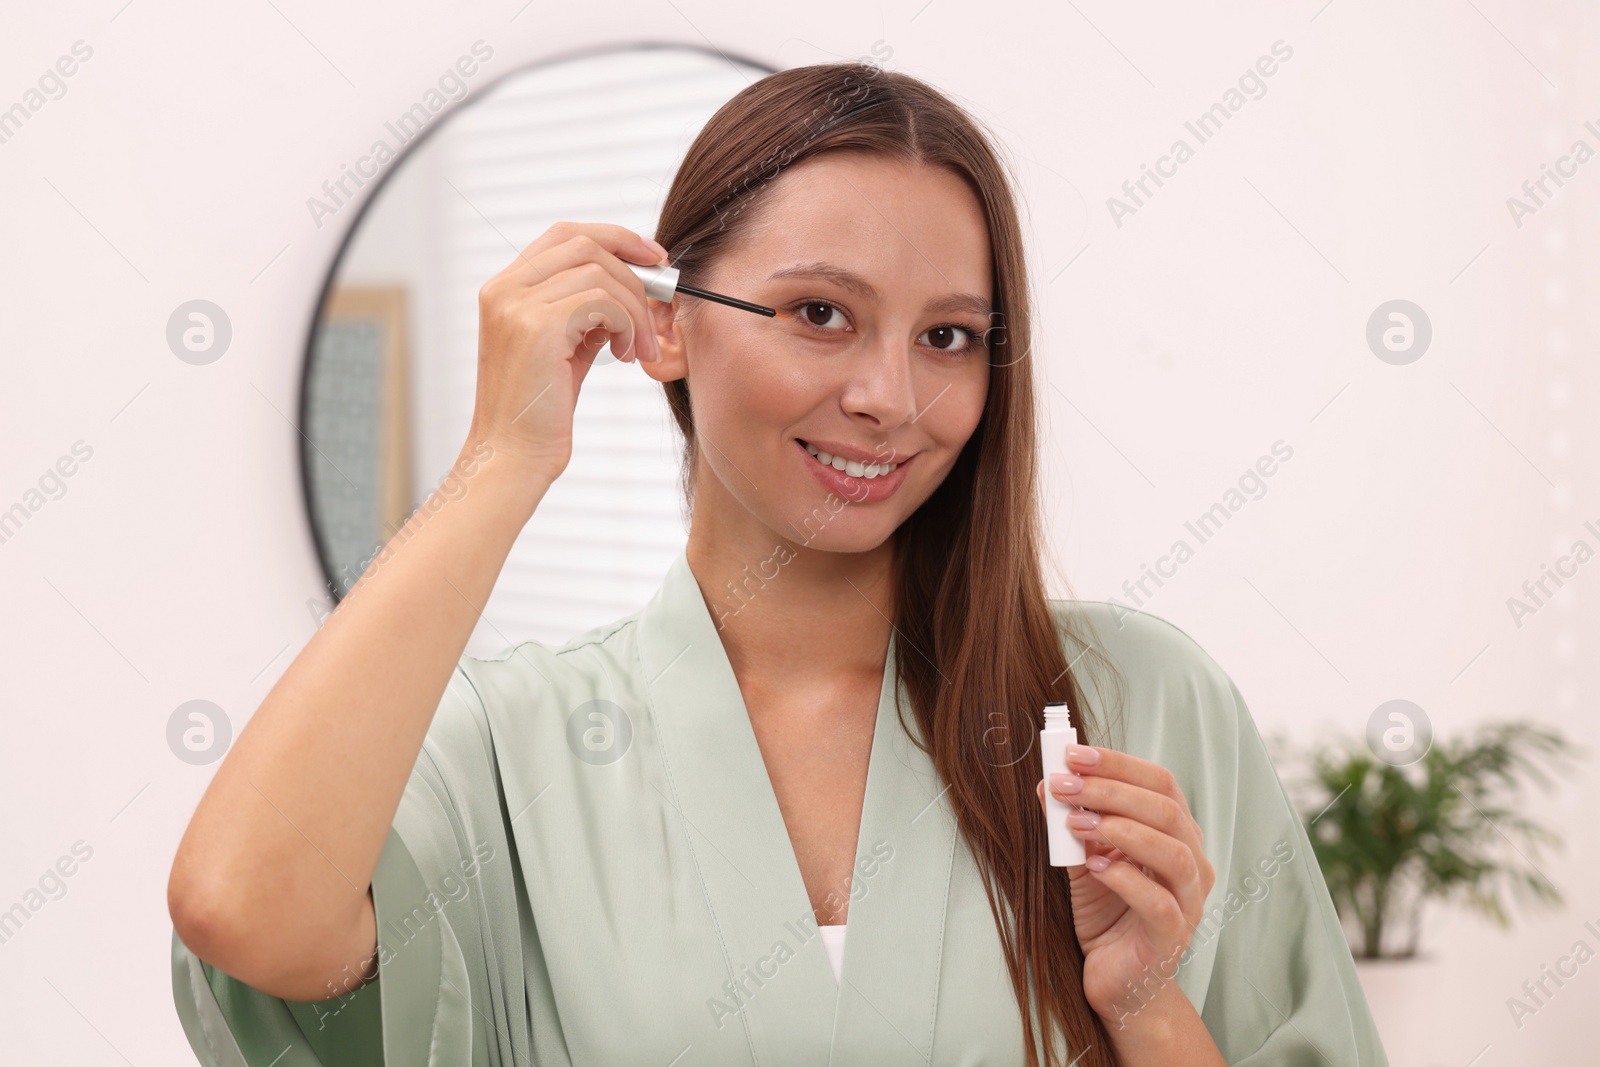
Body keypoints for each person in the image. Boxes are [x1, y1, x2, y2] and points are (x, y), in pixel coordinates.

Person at [167, 62, 1389, 1066]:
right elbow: (242, 909)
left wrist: (1141, 1004)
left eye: (949, 336)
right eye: (820, 313)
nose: (891, 398)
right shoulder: (508, 748)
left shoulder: (1134, 702)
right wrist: (503, 458)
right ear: (666, 324)